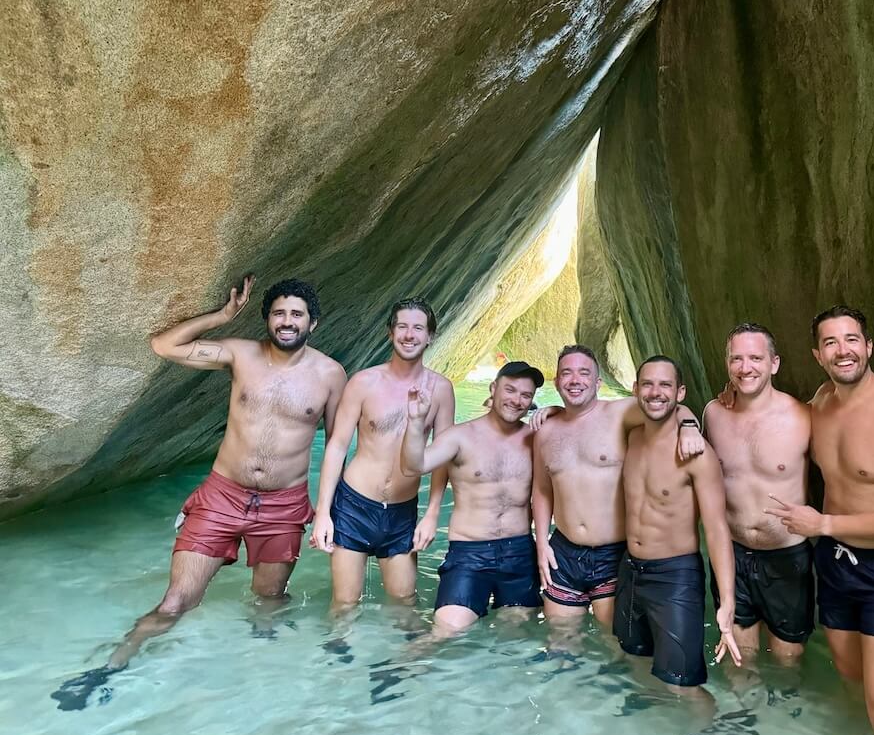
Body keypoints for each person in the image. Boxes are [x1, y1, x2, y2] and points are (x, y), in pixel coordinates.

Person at [53, 276, 346, 710]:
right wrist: (222, 316)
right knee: (175, 602)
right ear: (267, 318)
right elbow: (163, 345)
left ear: (313, 323)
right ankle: (109, 669)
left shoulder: (330, 375)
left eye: (296, 314)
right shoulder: (240, 354)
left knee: (269, 602)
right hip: (222, 497)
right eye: (279, 313)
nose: (287, 322)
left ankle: (260, 682)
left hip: (283, 506)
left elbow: (338, 443)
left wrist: (326, 512)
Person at [766, 306, 874, 735]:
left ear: (868, 347)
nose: (843, 351)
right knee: (853, 681)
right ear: (818, 355)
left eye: (851, 340)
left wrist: (822, 523)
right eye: (830, 343)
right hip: (837, 566)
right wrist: (710, 407)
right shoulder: (819, 405)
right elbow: (767, 422)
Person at [531, 345, 705, 631]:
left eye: (584, 373)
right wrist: (541, 544)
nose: (575, 380)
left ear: (598, 382)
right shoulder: (546, 432)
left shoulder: (620, 414)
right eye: (567, 373)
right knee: (559, 643)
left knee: (615, 644)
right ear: (557, 381)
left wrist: (687, 425)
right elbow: (541, 489)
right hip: (562, 551)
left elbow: (668, 403)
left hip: (613, 554)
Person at [309, 298, 453, 611]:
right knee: (345, 603)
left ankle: (401, 662)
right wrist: (323, 513)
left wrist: (431, 516)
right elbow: (337, 445)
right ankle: (338, 657)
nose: (409, 334)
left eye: (418, 328)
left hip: (402, 511)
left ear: (430, 336)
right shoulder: (364, 382)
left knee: (404, 603)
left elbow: (444, 455)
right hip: (354, 505)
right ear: (390, 333)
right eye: (402, 326)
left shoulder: (441, 389)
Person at [616, 355, 741, 693]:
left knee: (684, 686)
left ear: (681, 392)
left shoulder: (698, 455)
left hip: (674, 577)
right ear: (635, 389)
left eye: (665, 385)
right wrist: (547, 412)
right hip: (630, 571)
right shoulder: (631, 437)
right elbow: (585, 413)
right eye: (648, 384)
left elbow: (717, 530)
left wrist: (726, 602)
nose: (656, 392)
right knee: (636, 661)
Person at [399, 362, 545, 635]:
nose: (516, 400)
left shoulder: (535, 438)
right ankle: (402, 670)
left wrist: (556, 412)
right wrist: (416, 423)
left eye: (525, 395)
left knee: (516, 637)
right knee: (446, 631)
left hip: (519, 552)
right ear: (493, 389)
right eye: (510, 390)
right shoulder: (460, 437)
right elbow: (413, 466)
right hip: (469, 552)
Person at [704, 323, 813, 663]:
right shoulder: (713, 413)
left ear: (774, 364)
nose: (745, 367)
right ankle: (743, 716)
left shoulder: (803, 416)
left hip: (785, 557)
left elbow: (846, 457)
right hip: (732, 555)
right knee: (739, 658)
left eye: (755, 358)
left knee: (787, 661)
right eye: (737, 359)